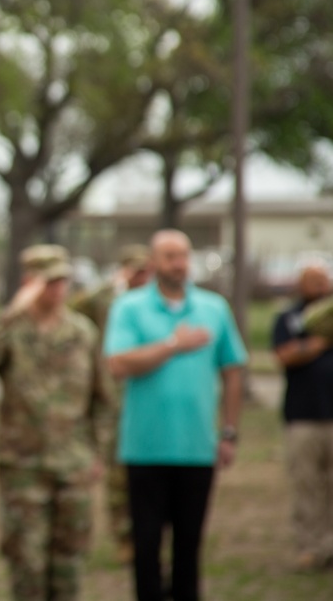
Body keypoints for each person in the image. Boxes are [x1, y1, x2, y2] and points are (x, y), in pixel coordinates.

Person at [104, 229, 247, 601]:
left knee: (189, 545)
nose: (179, 263)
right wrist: (173, 345)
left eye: (183, 255)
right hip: (145, 447)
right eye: (170, 256)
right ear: (153, 263)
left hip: (197, 447)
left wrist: (228, 431)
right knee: (146, 545)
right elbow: (118, 363)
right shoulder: (130, 307)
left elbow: (233, 370)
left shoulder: (213, 308)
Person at [0, 244, 114, 601]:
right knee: (27, 564)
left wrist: (98, 453)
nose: (58, 288)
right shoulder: (12, 331)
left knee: (69, 563)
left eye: (63, 280)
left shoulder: (83, 333)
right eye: (50, 281)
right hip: (23, 467)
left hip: (73, 464)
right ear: (31, 283)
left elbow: (102, 399)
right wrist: (14, 310)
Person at [70, 243, 152, 564]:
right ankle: (124, 535)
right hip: (113, 393)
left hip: (146, 391)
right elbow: (75, 308)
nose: (140, 276)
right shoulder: (107, 299)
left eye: (145, 270)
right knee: (118, 471)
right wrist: (113, 284)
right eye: (135, 270)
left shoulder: (155, 301)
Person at [271, 263, 333, 571]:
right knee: (307, 483)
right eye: (312, 280)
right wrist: (319, 342)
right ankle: (311, 546)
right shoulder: (289, 317)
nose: (319, 285)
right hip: (303, 415)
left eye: (323, 279)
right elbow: (284, 355)